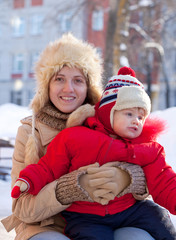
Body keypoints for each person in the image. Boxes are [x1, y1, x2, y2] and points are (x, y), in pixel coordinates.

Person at [1, 34, 153, 240]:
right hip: (47, 227)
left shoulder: (111, 122)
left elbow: (152, 171)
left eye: (78, 80)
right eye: (59, 79)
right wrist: (69, 189)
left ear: (88, 86)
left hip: (110, 220)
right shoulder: (30, 131)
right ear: (46, 85)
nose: (68, 89)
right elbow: (22, 207)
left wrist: (127, 179)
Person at [11, 67, 176, 239]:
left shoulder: (145, 145)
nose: (136, 121)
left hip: (127, 211)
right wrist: (29, 180)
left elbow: (164, 179)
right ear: (108, 112)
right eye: (128, 113)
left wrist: (129, 179)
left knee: (158, 216)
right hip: (85, 216)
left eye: (141, 117)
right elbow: (48, 167)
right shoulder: (76, 136)